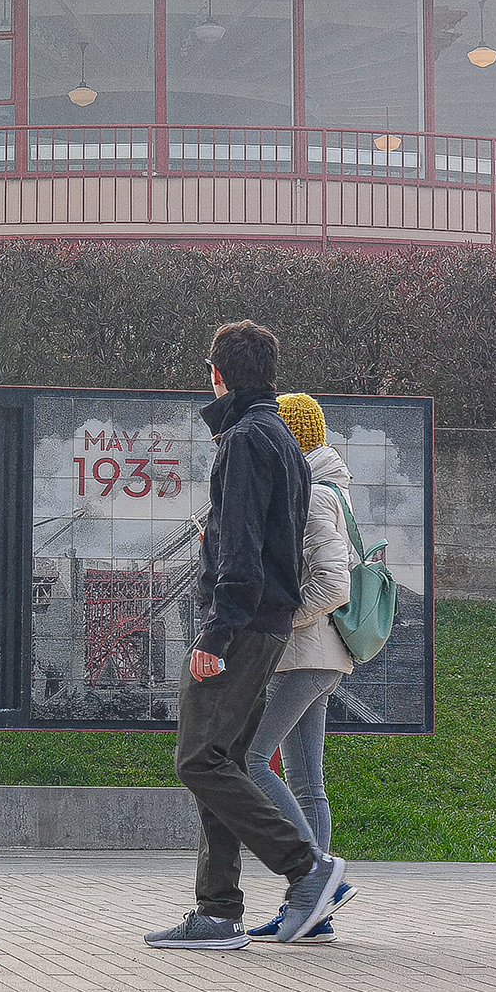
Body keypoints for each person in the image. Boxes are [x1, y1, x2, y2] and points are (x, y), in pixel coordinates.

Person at [144, 321, 351, 950]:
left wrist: (214, 633)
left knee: (196, 758)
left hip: (239, 627)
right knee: (226, 760)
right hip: (268, 627)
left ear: (218, 373)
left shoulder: (243, 441)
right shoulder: (283, 441)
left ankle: (305, 867)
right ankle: (217, 913)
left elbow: (240, 553)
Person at [245, 392, 359, 942]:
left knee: (251, 760)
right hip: (319, 657)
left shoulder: (312, 494)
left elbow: (333, 583)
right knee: (308, 781)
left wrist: (281, 622)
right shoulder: (326, 487)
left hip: (306, 654)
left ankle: (316, 875)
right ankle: (314, 911)